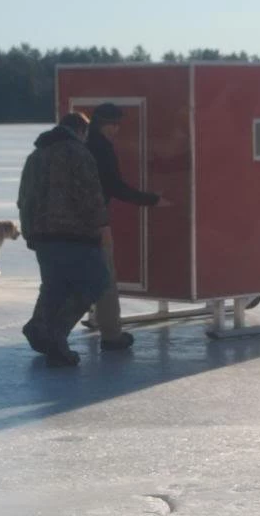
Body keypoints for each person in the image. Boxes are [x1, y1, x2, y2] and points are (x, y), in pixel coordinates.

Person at [17, 112, 111, 366]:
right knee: (95, 281)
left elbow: (24, 198)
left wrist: (29, 232)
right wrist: (101, 225)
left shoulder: (35, 157)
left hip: (42, 235)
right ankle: (57, 335)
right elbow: (90, 194)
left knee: (54, 286)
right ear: (81, 130)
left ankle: (38, 327)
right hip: (74, 234)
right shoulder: (78, 154)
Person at [82, 102, 171, 348]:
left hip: (71, 223)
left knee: (73, 279)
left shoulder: (81, 146)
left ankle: (50, 331)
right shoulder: (102, 149)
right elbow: (115, 187)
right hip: (96, 222)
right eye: (115, 124)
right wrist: (152, 200)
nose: (117, 130)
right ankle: (112, 335)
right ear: (104, 124)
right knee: (106, 279)